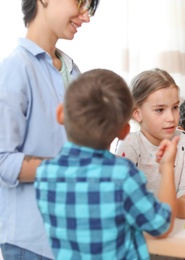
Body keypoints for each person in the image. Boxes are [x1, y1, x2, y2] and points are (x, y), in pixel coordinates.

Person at [34, 69, 178, 259]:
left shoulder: (44, 173)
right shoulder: (122, 175)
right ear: (124, 131)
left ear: (61, 113)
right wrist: (167, 166)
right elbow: (162, 226)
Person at [0, 1, 99, 259]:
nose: (86, 17)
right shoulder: (14, 69)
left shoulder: (72, 70)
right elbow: (3, 162)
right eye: (80, 3)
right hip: (33, 242)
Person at [116, 68, 185, 219]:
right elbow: (124, 200)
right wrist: (176, 207)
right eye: (160, 110)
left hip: (173, 225)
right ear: (137, 113)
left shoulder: (182, 138)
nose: (171, 117)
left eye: (175, 107)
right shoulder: (130, 143)